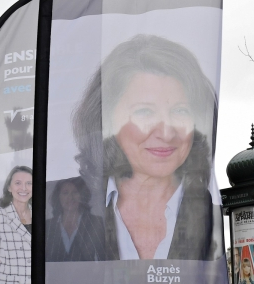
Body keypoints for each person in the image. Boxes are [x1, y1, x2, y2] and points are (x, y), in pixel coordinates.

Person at [72, 34, 221, 261]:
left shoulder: (217, 218)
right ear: (105, 121)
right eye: (144, 112)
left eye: (181, 111)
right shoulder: (60, 212)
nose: (166, 132)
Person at [45, 177, 106, 262]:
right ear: (58, 197)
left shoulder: (95, 222)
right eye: (65, 193)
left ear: (82, 195)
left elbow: (103, 259)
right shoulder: (48, 226)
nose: (70, 197)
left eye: (75, 192)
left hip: (87, 275)